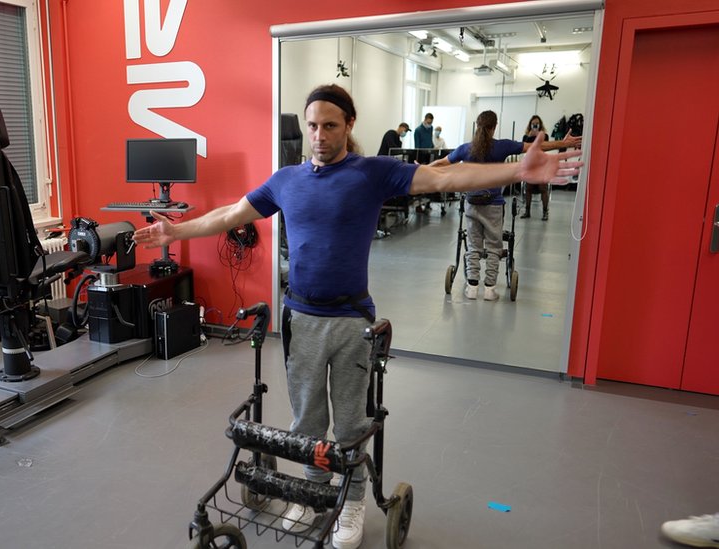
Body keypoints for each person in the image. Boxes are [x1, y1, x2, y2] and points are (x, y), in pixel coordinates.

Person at [132, 84, 582, 549]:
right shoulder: (286, 180)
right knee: (306, 420)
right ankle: (313, 495)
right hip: (300, 318)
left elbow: (443, 177)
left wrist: (516, 170)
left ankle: (351, 501)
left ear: (349, 124)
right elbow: (231, 214)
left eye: (329, 125)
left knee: (349, 422)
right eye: (312, 126)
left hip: (351, 321)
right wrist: (177, 231)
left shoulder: (372, 173)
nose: (319, 136)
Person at [431, 110, 580, 300]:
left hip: (472, 203)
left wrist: (418, 169)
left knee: (474, 246)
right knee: (494, 247)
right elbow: (536, 146)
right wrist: (564, 143)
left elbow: (441, 163)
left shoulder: (465, 148)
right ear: (494, 127)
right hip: (494, 205)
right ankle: (490, 289)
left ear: (477, 126)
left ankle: (472, 287)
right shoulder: (502, 146)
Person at [520, 115, 551, 220]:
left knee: (543, 189)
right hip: (531, 165)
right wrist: (530, 136)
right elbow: (525, 148)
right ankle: (527, 211)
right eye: (533, 124)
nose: (535, 125)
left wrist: (538, 135)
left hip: (542, 165)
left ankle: (545, 212)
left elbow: (545, 147)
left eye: (537, 124)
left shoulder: (545, 136)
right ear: (530, 125)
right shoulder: (526, 137)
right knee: (528, 189)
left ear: (540, 125)